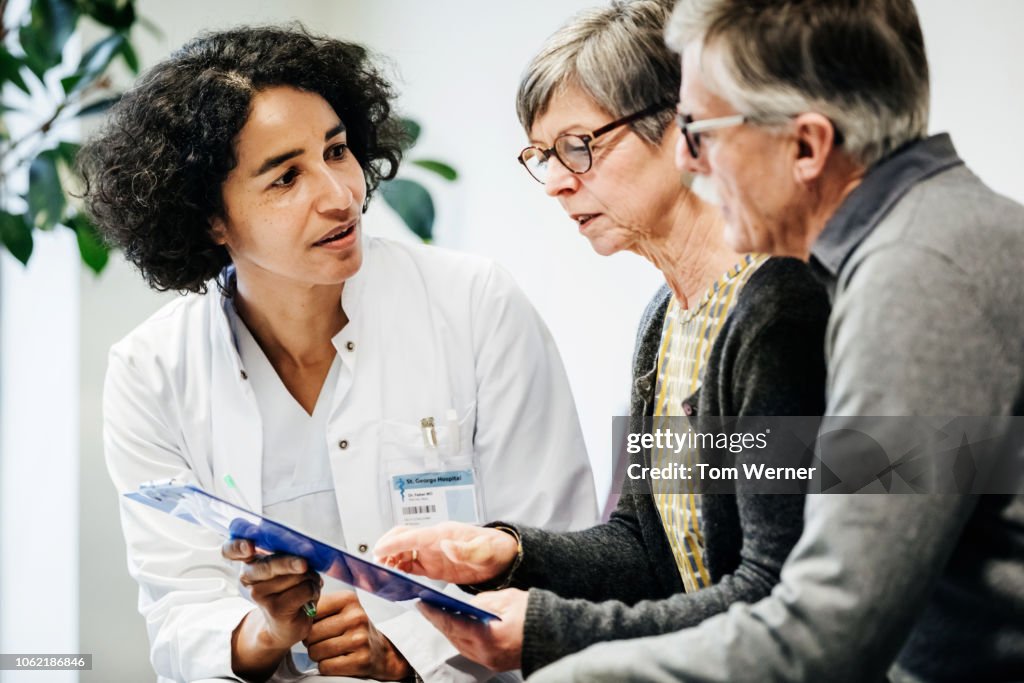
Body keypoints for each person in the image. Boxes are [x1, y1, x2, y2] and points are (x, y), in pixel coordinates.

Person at [523, 0, 1024, 681]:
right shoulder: (923, 244)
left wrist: (570, 668)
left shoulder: (914, 277)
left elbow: (829, 625)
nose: (690, 159)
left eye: (701, 129)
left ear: (808, 145)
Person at [81, 25, 597, 683]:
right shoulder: (151, 371)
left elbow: (560, 552)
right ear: (209, 216)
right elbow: (178, 608)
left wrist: (404, 652)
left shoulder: (474, 304)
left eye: (337, 150)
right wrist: (266, 632)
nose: (339, 195)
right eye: (286, 176)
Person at [374, 0, 829, 677]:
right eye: (542, 156)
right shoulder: (662, 319)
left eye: (578, 146)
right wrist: (506, 550)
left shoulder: (775, 306)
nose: (557, 182)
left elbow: (775, 590)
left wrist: (552, 628)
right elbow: (647, 551)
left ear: (682, 126)